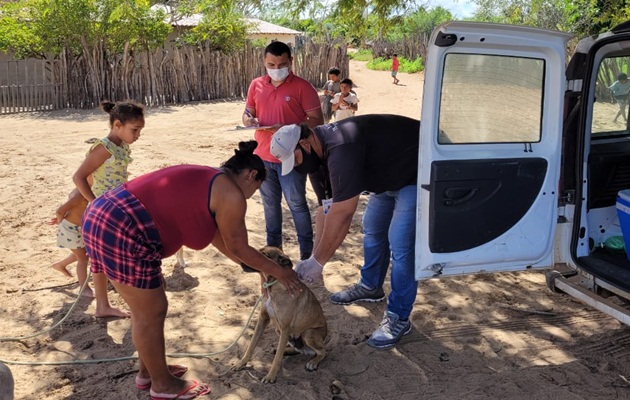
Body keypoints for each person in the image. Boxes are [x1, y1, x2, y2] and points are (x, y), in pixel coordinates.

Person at [81, 141, 302, 400]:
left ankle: (151, 372)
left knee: (152, 301)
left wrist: (257, 268)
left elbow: (224, 241)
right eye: (256, 187)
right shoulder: (230, 194)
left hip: (104, 215)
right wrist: (281, 272)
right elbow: (240, 247)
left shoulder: (212, 180)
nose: (252, 195)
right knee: (150, 312)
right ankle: (161, 386)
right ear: (251, 175)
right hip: (122, 226)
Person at [269, 115, 421, 350]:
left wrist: (319, 262)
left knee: (401, 243)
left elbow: (343, 213)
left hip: (414, 173)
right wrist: (312, 258)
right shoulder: (315, 158)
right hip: (386, 178)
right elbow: (325, 209)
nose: (297, 166)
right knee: (373, 229)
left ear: (305, 144)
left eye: (296, 158)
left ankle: (399, 317)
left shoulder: (341, 147)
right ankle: (371, 287)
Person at [242, 41, 324, 261]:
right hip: (262, 156)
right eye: (272, 64)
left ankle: (307, 254)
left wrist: (291, 128)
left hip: (292, 158)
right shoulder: (256, 85)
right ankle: (273, 253)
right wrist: (248, 120)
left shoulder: (303, 87)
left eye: (282, 64)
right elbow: (247, 113)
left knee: (297, 204)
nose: (277, 68)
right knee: (270, 205)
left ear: (291, 61)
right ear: (264, 62)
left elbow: (318, 121)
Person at [73, 100, 145, 318]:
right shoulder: (103, 147)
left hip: (117, 207)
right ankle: (104, 305)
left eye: (140, 130)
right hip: (103, 211)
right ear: (117, 125)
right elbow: (79, 177)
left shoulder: (121, 146)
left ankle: (104, 305)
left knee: (104, 258)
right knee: (102, 260)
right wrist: (94, 202)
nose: (138, 135)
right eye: (135, 130)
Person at [48, 186, 93, 298]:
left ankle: (60, 265)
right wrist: (61, 221)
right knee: (83, 259)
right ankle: (84, 289)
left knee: (83, 252)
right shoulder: (82, 192)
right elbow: (59, 211)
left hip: (79, 227)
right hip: (71, 229)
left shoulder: (84, 188)